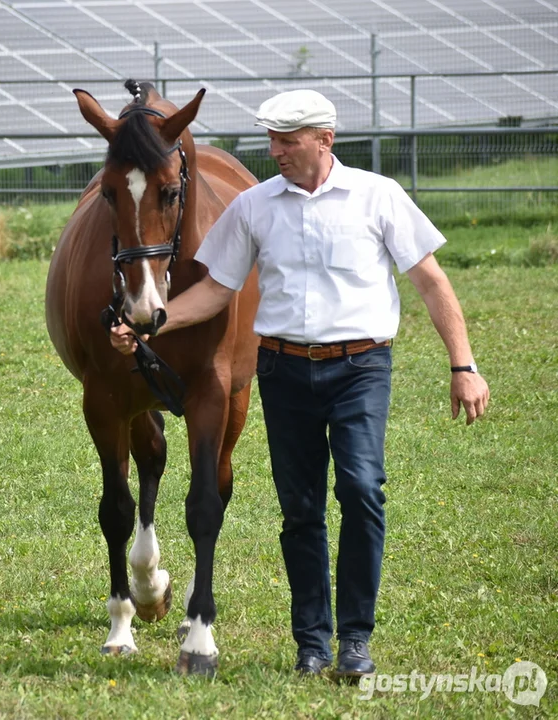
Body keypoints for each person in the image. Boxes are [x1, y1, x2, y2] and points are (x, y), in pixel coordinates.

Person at [110, 89, 490, 680]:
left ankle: (355, 640)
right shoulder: (255, 206)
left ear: (325, 140)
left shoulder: (378, 197)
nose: (277, 151)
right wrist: (154, 323)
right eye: (271, 140)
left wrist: (462, 365)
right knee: (301, 510)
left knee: (362, 491)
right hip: (284, 371)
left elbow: (431, 281)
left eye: (288, 141)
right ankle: (312, 643)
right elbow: (216, 290)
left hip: (361, 368)